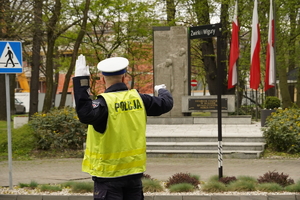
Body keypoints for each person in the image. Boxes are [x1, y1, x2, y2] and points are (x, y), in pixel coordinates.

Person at [72, 55, 173, 200]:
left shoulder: (104, 104)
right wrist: (162, 90)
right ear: (125, 77)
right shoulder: (139, 99)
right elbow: (166, 103)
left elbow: (85, 113)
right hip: (133, 175)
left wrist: (81, 81)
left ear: (102, 79)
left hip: (108, 176)